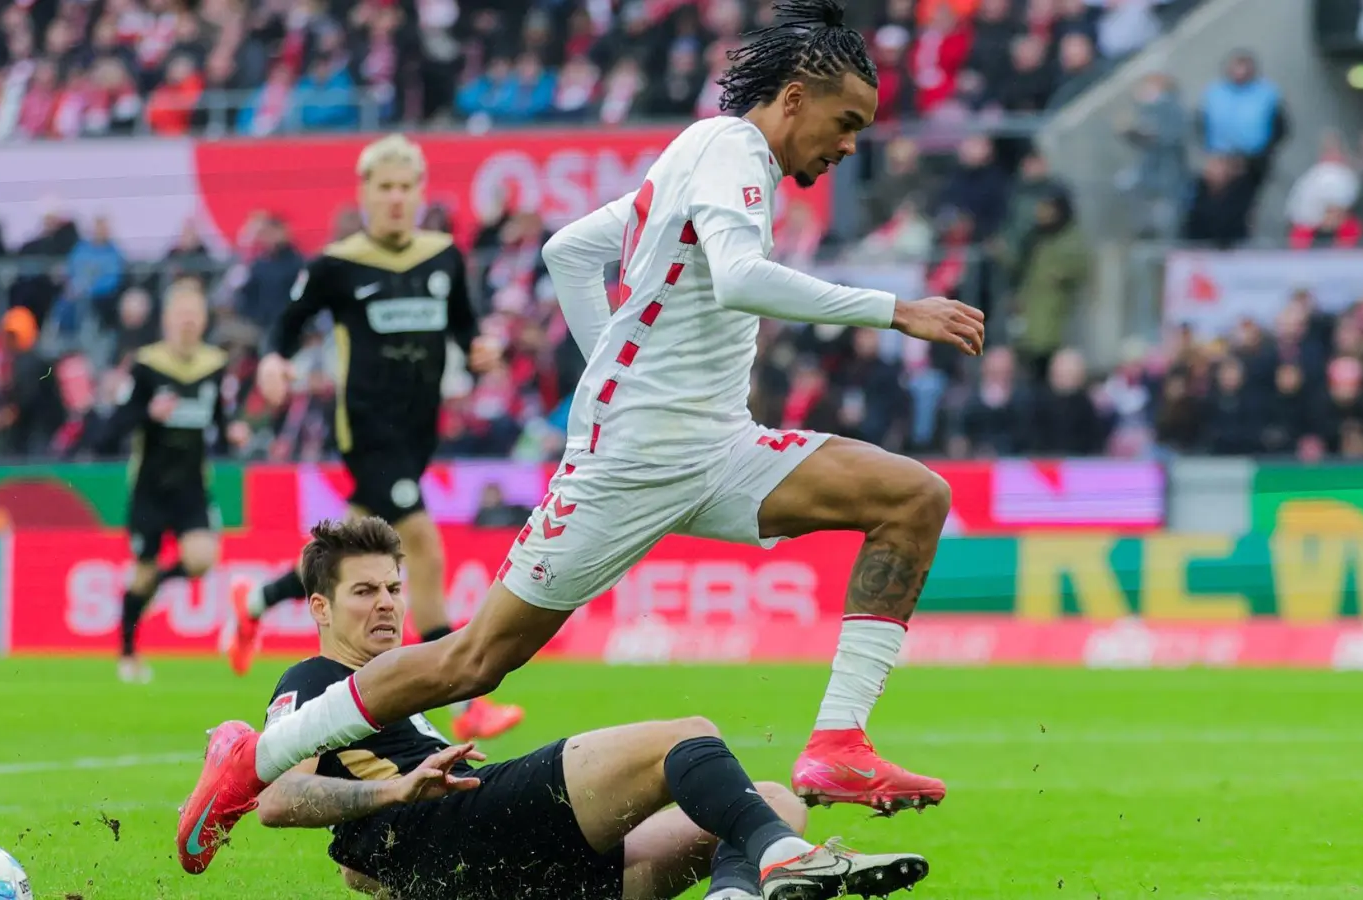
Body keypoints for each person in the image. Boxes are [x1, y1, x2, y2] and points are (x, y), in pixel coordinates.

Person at [178, 0, 986, 872]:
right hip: (635, 457)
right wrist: (894, 308)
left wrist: (616, 364)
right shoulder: (732, 151)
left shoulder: (695, 152)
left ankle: (837, 739)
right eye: (847, 122)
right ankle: (251, 763)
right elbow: (742, 277)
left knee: (913, 496)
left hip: (713, 443)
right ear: (793, 99)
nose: (850, 143)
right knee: (473, 661)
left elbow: (569, 249)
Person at [242, 517, 930, 899]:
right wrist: (395, 793)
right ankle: (786, 861)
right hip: (461, 825)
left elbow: (358, 859)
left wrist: (377, 858)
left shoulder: (400, 682)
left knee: (773, 800)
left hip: (498, 872)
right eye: (365, 592)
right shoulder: (316, 679)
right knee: (687, 737)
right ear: (320, 609)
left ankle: (741, 892)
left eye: (394, 586)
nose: (388, 602)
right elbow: (277, 797)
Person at [222, 133, 524, 743]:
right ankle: (465, 698)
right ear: (364, 193)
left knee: (347, 547)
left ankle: (255, 600)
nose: (395, 198)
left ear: (419, 193)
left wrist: (479, 349)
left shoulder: (443, 257)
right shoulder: (337, 264)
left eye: (405, 187)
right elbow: (287, 323)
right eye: (383, 187)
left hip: (418, 430)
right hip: (365, 427)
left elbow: (464, 327)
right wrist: (276, 361)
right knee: (423, 545)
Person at [94, 278, 248, 683]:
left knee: (202, 558)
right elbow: (113, 427)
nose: (188, 323)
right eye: (181, 315)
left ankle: (158, 582)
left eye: (195, 315)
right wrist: (148, 413)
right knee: (141, 573)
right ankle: (127, 652)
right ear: (167, 320)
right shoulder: (146, 366)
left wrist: (232, 434)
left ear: (203, 320)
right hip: (149, 487)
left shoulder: (213, 366)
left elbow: (217, 421)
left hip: (191, 487)